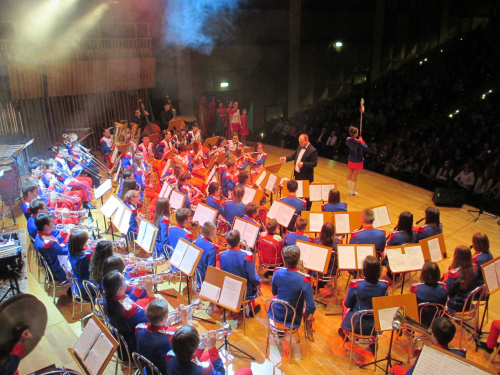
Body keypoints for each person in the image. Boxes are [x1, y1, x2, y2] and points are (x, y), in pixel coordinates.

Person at [339, 256, 388, 345]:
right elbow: (384, 306)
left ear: (364, 271)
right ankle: (373, 341)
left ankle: (344, 332)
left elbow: (348, 304)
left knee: (344, 303)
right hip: (375, 326)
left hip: (356, 325)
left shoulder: (356, 285)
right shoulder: (383, 286)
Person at [390, 317, 465, 375]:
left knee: (394, 368)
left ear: (432, 334)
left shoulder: (425, 353)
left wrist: (415, 362)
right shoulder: (460, 355)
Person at [167, 325, 253, 375]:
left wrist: (200, 348)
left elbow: (190, 359)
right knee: (247, 370)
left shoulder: (170, 358)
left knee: (208, 359)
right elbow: (221, 372)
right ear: (194, 349)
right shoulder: (202, 370)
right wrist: (212, 348)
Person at [103, 270, 155, 352]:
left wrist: (139, 287)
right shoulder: (129, 309)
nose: (126, 279)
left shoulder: (107, 298)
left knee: (143, 302)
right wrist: (150, 291)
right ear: (120, 288)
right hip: (132, 345)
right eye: (124, 279)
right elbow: (153, 314)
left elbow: (126, 299)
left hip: (121, 341)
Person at [135, 299, 188, 375]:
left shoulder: (139, 329)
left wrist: (165, 323)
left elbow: (155, 330)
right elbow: (190, 340)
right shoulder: (169, 339)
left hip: (147, 368)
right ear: (162, 320)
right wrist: (185, 319)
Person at [269, 245, 316, 330]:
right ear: (298, 261)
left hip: (274, 313)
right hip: (291, 318)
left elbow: (274, 293)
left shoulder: (277, 273)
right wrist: (307, 314)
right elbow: (312, 306)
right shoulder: (304, 280)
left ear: (284, 260)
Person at [219, 230, 261, 316]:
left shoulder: (221, 255)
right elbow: (252, 278)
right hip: (244, 292)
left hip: (228, 288)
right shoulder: (247, 256)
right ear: (239, 241)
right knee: (254, 282)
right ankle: (251, 309)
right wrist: (259, 282)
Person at [443, 245, 481, 313]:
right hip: (469, 303)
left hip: (456, 305)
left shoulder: (454, 274)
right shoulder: (474, 269)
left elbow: (448, 291)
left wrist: (446, 276)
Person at [410, 261, 448, 327]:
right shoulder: (444, 288)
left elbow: (412, 305)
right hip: (438, 320)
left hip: (419, 320)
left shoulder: (416, 288)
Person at [34, 212, 69, 282]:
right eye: (52, 222)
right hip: (58, 270)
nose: (54, 224)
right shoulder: (47, 244)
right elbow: (65, 251)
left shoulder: (39, 235)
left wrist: (64, 233)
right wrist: (71, 239)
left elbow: (55, 241)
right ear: (46, 226)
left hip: (55, 259)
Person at [68, 230, 93, 301]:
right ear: (81, 243)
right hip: (86, 288)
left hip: (78, 280)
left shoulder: (71, 251)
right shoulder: (83, 259)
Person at [194, 221, 219, 287]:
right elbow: (211, 270)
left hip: (196, 274)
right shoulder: (212, 248)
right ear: (212, 232)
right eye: (216, 230)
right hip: (203, 279)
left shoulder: (198, 239)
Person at [345, 125, 368, 196]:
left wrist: (359, 141)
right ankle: (352, 191)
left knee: (349, 174)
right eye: (357, 133)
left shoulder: (348, 139)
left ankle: (350, 190)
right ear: (355, 134)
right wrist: (362, 141)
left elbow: (350, 140)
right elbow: (366, 147)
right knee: (355, 175)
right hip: (357, 160)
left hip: (351, 158)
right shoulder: (358, 142)